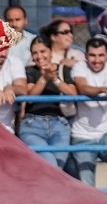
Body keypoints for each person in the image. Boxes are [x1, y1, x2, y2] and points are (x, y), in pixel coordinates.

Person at [70, 37, 107, 192]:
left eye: (101, 55)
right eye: (92, 55)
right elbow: (82, 87)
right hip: (82, 135)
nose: (97, 60)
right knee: (86, 180)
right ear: (86, 56)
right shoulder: (79, 66)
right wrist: (105, 89)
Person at [19, 35, 77, 170]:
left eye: (43, 51)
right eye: (35, 53)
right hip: (33, 125)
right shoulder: (29, 71)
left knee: (57, 168)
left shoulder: (63, 70)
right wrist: (44, 78)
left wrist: (55, 79)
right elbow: (30, 96)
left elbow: (73, 93)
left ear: (51, 52)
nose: (39, 56)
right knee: (50, 164)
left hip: (60, 125)